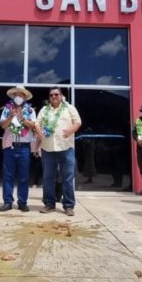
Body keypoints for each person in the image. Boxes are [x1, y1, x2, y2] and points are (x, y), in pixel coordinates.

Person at [35, 87, 81, 216]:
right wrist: (39, 132)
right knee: (48, 178)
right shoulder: (44, 110)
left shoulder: (69, 108)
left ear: (61, 96)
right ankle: (49, 204)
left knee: (67, 178)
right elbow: (37, 123)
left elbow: (78, 122)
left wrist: (72, 129)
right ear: (49, 97)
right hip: (47, 148)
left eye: (56, 94)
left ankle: (68, 205)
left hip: (66, 147)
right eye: (51, 95)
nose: (54, 96)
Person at [0, 86, 36, 212]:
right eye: (16, 95)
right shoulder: (6, 109)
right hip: (10, 146)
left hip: (24, 147)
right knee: (7, 176)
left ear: (25, 97)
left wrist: (23, 119)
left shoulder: (30, 110)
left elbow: (33, 125)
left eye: (21, 95)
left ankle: (22, 202)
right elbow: (3, 125)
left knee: (24, 176)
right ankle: (8, 202)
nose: (18, 97)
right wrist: (11, 116)